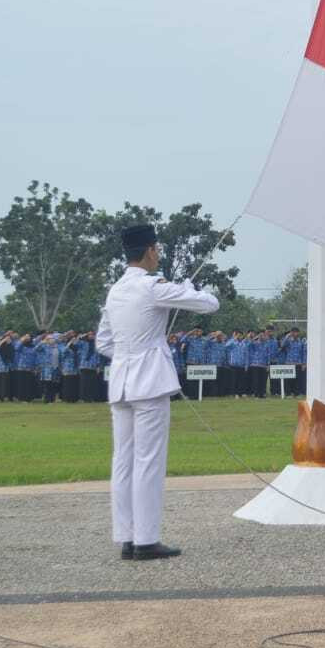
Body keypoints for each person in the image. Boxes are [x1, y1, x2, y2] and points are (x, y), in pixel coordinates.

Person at [96, 223, 218, 561]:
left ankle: (126, 537)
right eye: (157, 250)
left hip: (120, 382)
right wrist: (186, 287)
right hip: (149, 381)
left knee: (123, 461)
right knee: (148, 461)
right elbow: (210, 304)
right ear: (150, 251)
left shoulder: (115, 290)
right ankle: (146, 539)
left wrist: (129, 353)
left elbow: (103, 342)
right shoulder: (152, 287)